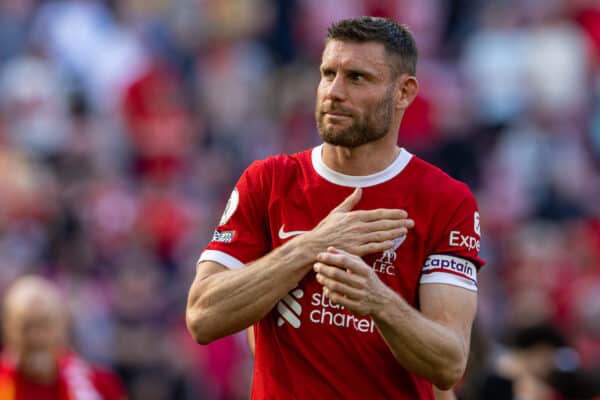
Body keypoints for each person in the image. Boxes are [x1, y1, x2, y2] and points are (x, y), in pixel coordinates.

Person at [186, 16, 484, 399]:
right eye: (328, 73)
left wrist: (377, 300)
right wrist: (309, 247)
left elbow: (449, 363)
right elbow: (202, 316)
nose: (333, 92)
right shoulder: (269, 181)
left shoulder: (444, 200)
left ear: (404, 92)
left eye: (357, 78)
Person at [0, 275, 126, 400]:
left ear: (62, 327)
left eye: (45, 325)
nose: (36, 338)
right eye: (26, 326)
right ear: (9, 330)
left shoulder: (102, 386)